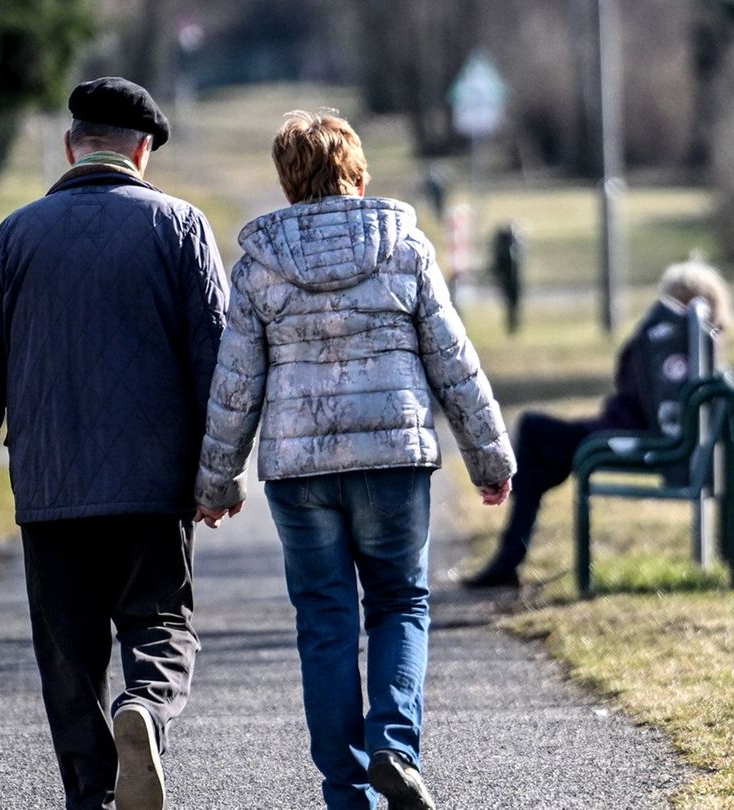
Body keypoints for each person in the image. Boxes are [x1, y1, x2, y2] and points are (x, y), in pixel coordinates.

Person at [194, 110, 516, 810]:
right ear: (356, 169)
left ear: (288, 179)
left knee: (325, 619)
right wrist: (490, 458)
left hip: (299, 470)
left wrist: (216, 482)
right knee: (400, 601)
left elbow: (236, 382)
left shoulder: (258, 268)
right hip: (394, 458)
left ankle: (347, 791)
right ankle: (395, 748)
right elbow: (454, 362)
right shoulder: (405, 248)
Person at [0, 77, 228, 810]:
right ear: (143, 151)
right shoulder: (181, 228)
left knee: (69, 663)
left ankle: (90, 798)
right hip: (152, 488)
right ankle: (148, 711)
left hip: (51, 486)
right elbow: (220, 366)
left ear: (72, 146)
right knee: (161, 625)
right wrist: (219, 476)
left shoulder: (15, 235)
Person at [458, 258, 734, 589]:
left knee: (533, 432)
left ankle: (510, 555)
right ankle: (511, 551)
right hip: (637, 431)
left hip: (630, 434)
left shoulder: (667, 341)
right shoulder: (700, 345)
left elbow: (631, 387)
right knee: (538, 453)